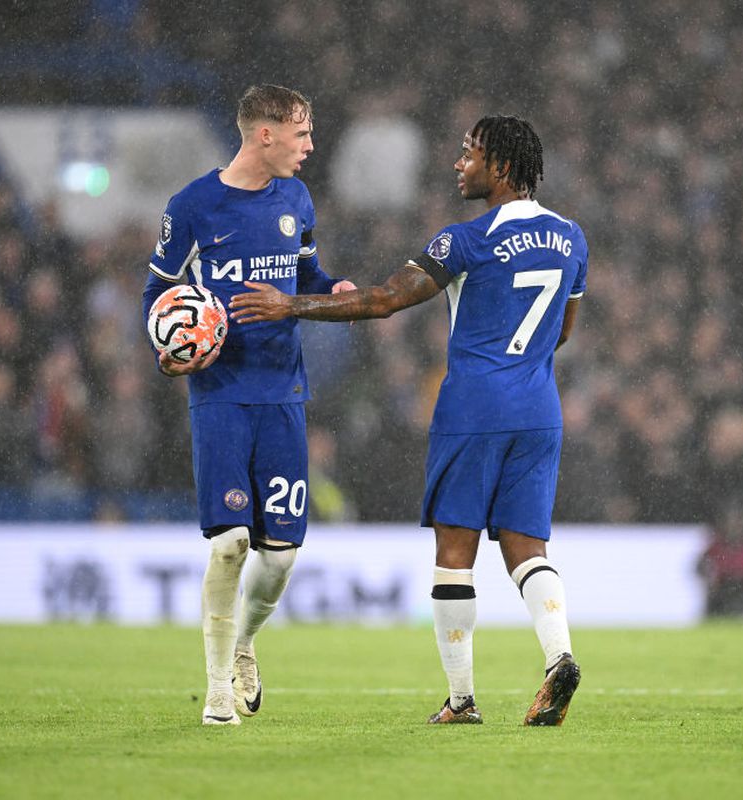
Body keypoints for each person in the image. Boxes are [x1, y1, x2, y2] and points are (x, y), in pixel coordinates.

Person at [231, 115, 588, 727]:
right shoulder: (572, 237)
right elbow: (564, 332)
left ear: (500, 167)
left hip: (473, 407)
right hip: (539, 409)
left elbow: (384, 300)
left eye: (470, 154)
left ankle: (462, 699)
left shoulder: (466, 240)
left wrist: (290, 303)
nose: (459, 164)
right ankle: (559, 656)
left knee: (456, 549)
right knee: (528, 546)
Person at [141, 85, 355, 726]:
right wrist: (170, 345)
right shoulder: (193, 207)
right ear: (265, 134)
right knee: (232, 541)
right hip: (221, 395)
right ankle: (215, 694)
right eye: (302, 134)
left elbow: (307, 275)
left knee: (281, 552)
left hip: (284, 392)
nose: (310, 147)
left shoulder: (296, 198)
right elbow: (157, 293)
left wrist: (333, 287)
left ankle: (243, 645)